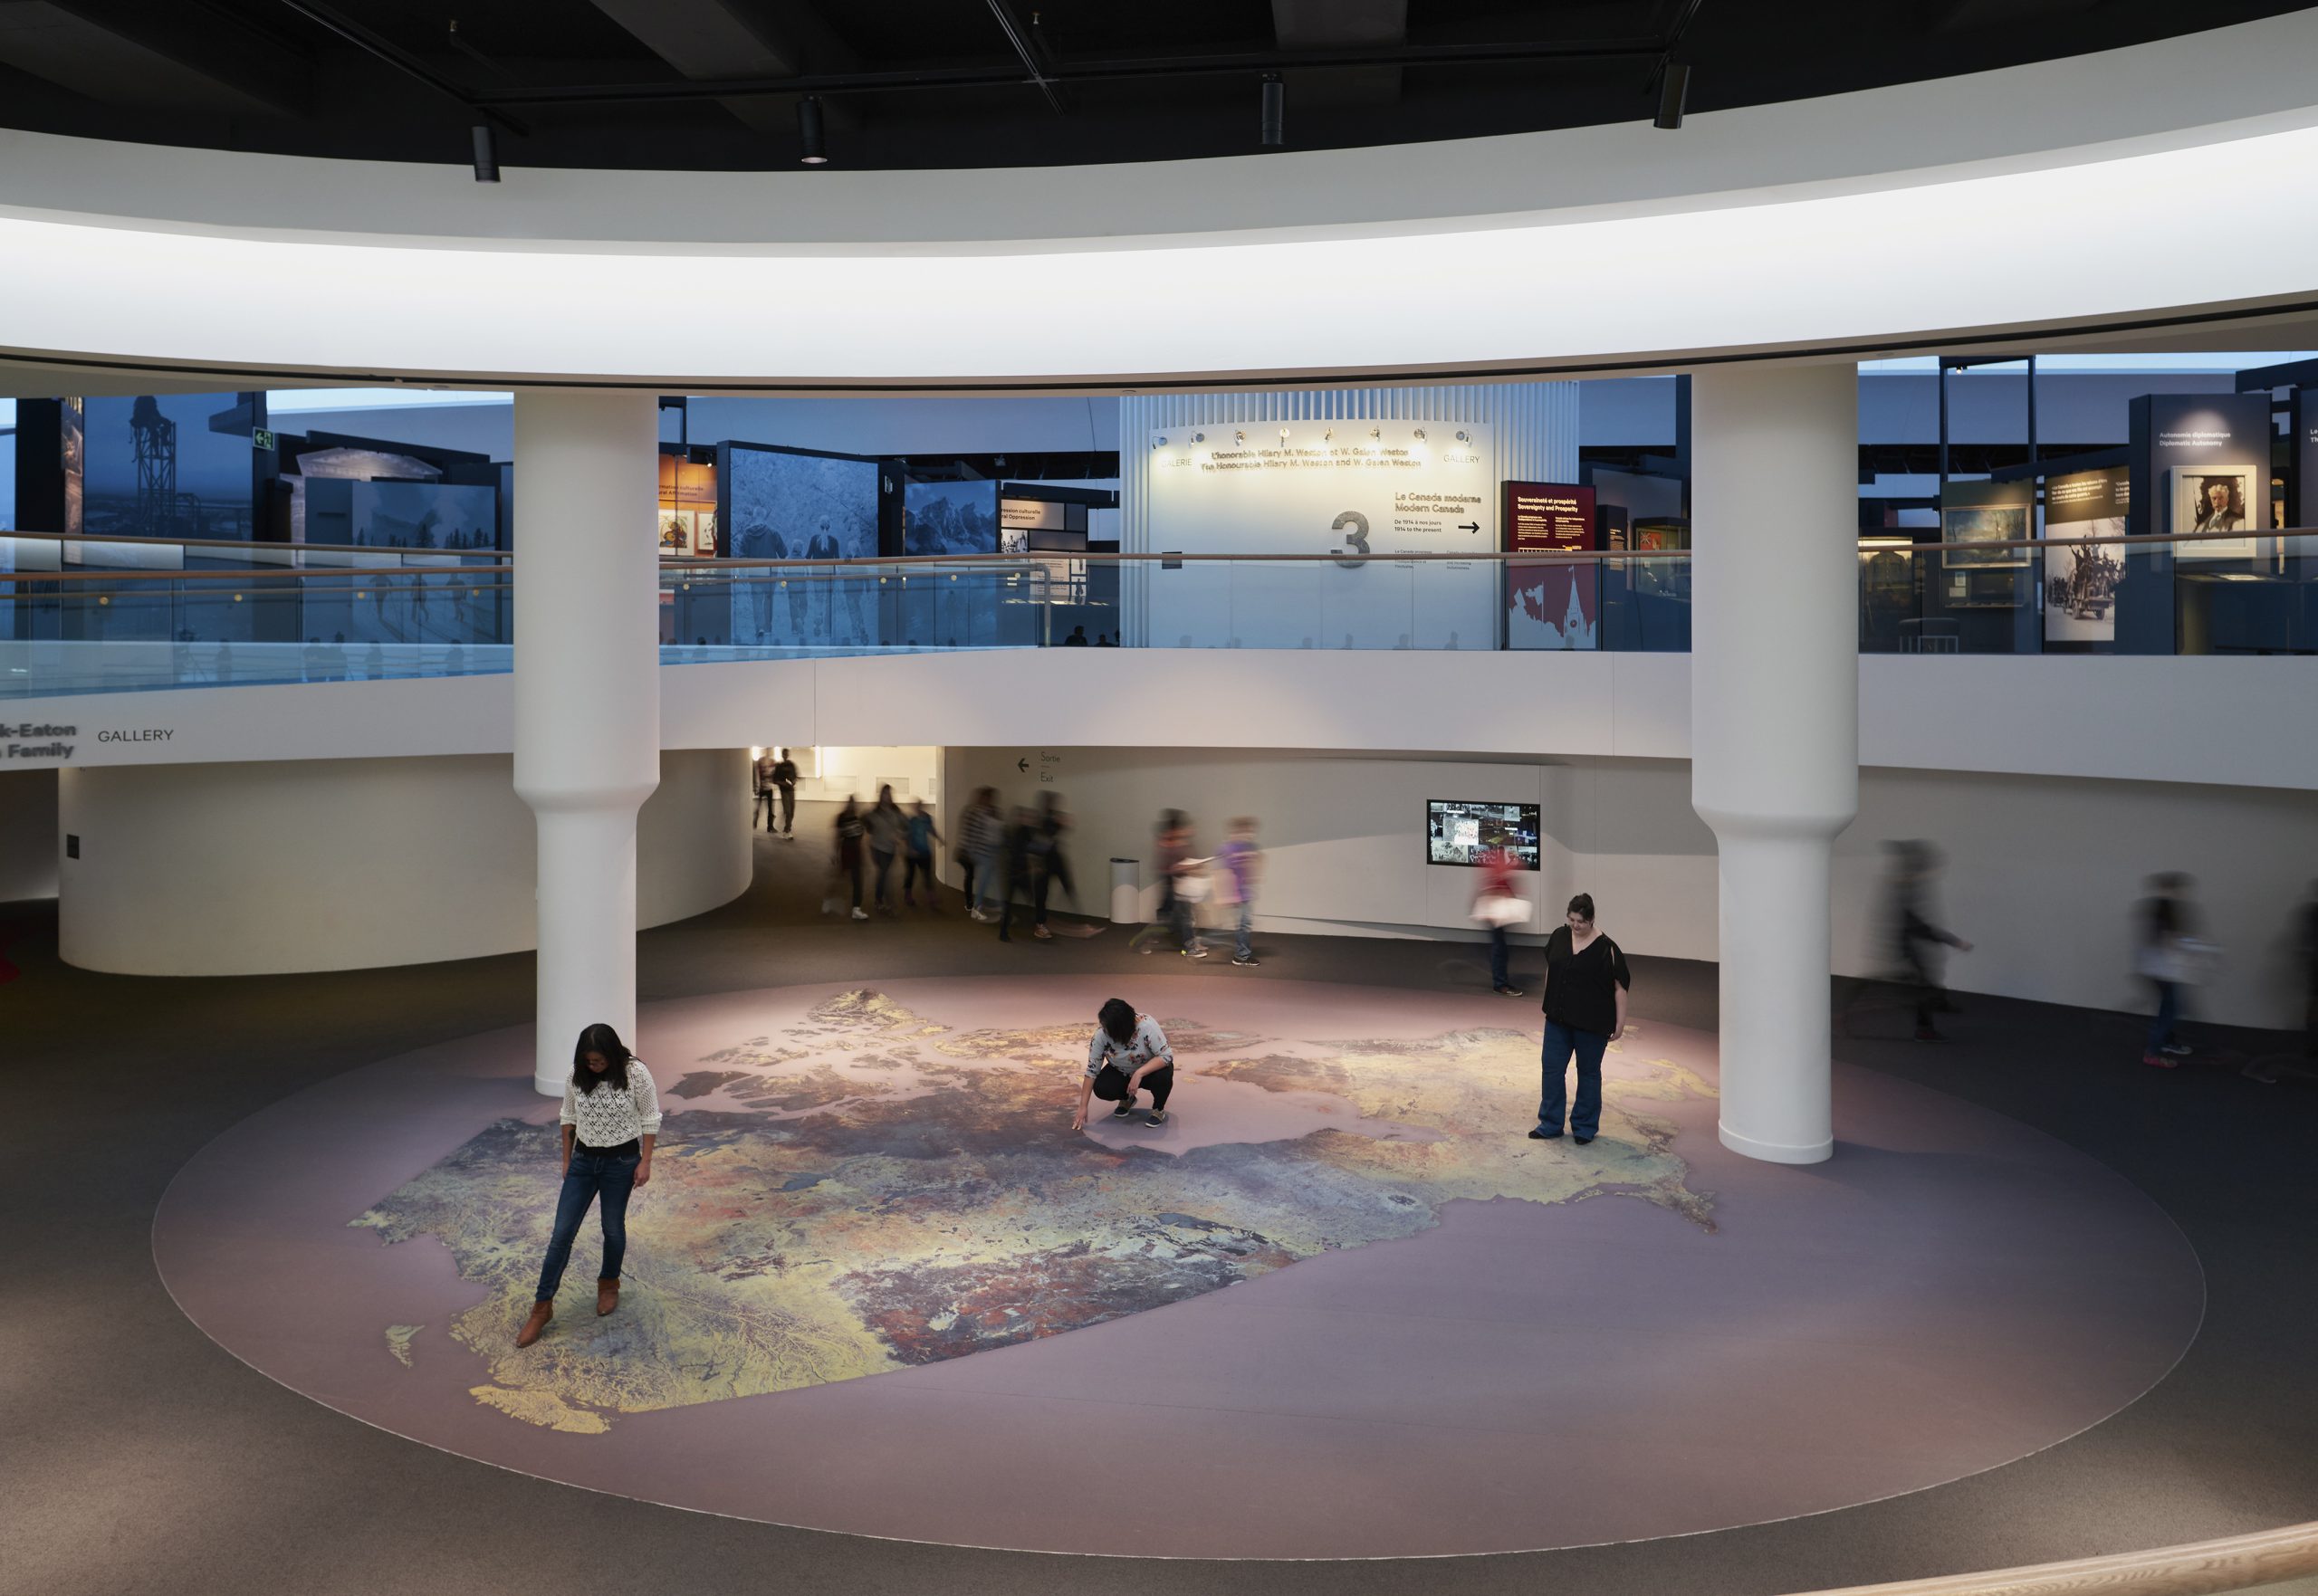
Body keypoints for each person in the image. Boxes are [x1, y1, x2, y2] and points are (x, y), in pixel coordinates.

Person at [515, 1023, 660, 1348]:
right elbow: (568, 1117)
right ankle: (542, 1308)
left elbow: (651, 1118)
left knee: (612, 1228)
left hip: (620, 1163)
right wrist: (567, 1160)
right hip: (583, 1162)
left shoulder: (636, 1073)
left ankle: (609, 1284)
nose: (594, 1067)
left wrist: (645, 1161)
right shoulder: (576, 1075)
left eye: (599, 1061)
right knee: (561, 1234)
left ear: (612, 1054)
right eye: (589, 1062)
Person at [1530, 893, 1630, 1145]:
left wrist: (1620, 1023)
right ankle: (1550, 1124)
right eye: (1572, 919)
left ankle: (1584, 1127)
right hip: (1558, 1020)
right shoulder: (1559, 937)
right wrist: (1549, 999)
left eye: (1581, 922)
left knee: (1588, 1073)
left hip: (1592, 1025)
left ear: (1592, 920)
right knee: (1551, 1070)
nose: (1576, 925)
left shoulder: (1608, 949)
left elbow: (1620, 987)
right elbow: (1552, 968)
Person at [1884, 840, 1972, 1041]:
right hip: (1908, 948)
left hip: (1912, 945)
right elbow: (1916, 925)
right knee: (1923, 988)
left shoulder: (1908, 885)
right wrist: (1954, 941)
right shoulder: (1905, 889)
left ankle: (1939, 1003)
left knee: (1931, 977)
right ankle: (1924, 1030)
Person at [1072, 998, 1175, 1130]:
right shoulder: (1100, 1035)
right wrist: (1083, 1107)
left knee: (1164, 1077)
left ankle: (1158, 1109)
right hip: (1122, 1071)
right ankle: (1127, 1098)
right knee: (1102, 1087)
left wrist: (1139, 1073)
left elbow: (1166, 1056)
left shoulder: (1146, 1026)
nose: (1105, 1030)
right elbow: (1091, 1072)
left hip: (1151, 1070)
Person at [2136, 873, 2201, 1067]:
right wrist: (2191, 947)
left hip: (2161, 970)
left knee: (2169, 1008)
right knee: (2169, 1010)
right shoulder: (2163, 909)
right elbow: (2168, 940)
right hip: (2162, 971)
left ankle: (2166, 1042)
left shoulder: (2161, 907)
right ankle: (2153, 1053)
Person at [1474, 826, 1524, 997]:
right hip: (1496, 909)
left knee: (1500, 946)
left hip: (1496, 908)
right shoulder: (1499, 861)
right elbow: (1496, 884)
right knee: (1499, 948)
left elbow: (1496, 883)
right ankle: (1500, 984)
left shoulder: (1497, 859)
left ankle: (1500, 981)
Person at [1155, 810, 1209, 959]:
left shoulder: (1181, 844)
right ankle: (1188, 949)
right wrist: (1186, 868)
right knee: (1180, 918)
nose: (1191, 830)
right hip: (1179, 886)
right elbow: (1171, 867)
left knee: (1184, 918)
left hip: (1183, 886)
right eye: (1187, 828)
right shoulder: (1171, 844)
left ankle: (1189, 945)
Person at [1216, 817, 1262, 967]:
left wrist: (1254, 875)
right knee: (1243, 925)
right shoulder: (1226, 848)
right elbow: (1222, 872)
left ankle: (1242, 954)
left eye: (1252, 831)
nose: (1251, 834)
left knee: (1244, 924)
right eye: (1248, 831)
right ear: (1238, 831)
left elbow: (1256, 863)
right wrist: (1224, 895)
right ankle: (1241, 956)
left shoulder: (1250, 847)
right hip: (1235, 894)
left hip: (1245, 893)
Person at [996, 805, 1040, 942]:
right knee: (1027, 899)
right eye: (1026, 817)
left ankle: (1004, 932)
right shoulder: (1024, 832)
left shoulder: (1013, 831)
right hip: (1018, 873)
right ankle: (1036, 926)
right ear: (1021, 818)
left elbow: (1011, 850)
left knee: (1010, 902)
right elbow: (1029, 850)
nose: (1029, 819)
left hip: (1012, 872)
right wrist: (1033, 867)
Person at [960, 786, 1003, 922]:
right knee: (985, 880)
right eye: (989, 798)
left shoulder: (987, 811)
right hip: (980, 851)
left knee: (992, 879)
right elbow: (970, 833)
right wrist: (969, 850)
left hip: (988, 851)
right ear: (983, 798)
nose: (991, 801)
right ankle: (977, 908)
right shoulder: (975, 812)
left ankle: (997, 904)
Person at [824, 796, 867, 920]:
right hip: (846, 851)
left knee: (858, 881)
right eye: (851, 804)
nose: (853, 806)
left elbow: (861, 837)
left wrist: (864, 855)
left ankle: (856, 909)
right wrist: (835, 853)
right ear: (848, 804)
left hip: (857, 852)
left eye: (855, 804)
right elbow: (838, 837)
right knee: (840, 878)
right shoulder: (842, 818)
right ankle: (828, 899)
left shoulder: (859, 819)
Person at [867, 786, 905, 914]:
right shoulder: (875, 812)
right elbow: (867, 826)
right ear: (881, 795)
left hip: (890, 849)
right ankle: (887, 902)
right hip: (877, 848)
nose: (887, 796)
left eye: (889, 794)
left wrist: (900, 835)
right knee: (885, 874)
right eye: (884, 794)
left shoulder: (896, 810)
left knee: (883, 874)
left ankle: (879, 899)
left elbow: (906, 825)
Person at [903, 798, 942, 911]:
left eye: (920, 805)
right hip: (912, 854)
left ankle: (931, 898)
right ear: (914, 807)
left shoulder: (927, 818)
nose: (918, 808)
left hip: (925, 852)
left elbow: (931, 830)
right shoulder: (911, 820)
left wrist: (939, 839)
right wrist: (909, 849)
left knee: (927, 876)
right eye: (916, 806)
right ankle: (908, 895)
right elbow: (907, 836)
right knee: (910, 875)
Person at [770, 748, 799, 837]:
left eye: (787, 754)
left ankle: (787, 827)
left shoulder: (791, 764)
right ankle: (787, 830)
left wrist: (793, 781)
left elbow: (796, 776)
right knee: (788, 811)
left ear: (788, 754)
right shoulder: (779, 766)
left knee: (792, 811)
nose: (786, 755)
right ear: (782, 755)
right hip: (784, 791)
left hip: (791, 791)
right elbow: (774, 780)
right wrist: (783, 783)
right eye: (784, 754)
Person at [752, 750, 777, 830]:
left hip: (769, 788)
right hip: (762, 788)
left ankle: (770, 826)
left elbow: (774, 775)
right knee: (760, 807)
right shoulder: (760, 761)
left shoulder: (772, 762)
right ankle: (756, 821)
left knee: (769, 808)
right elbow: (756, 775)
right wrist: (756, 787)